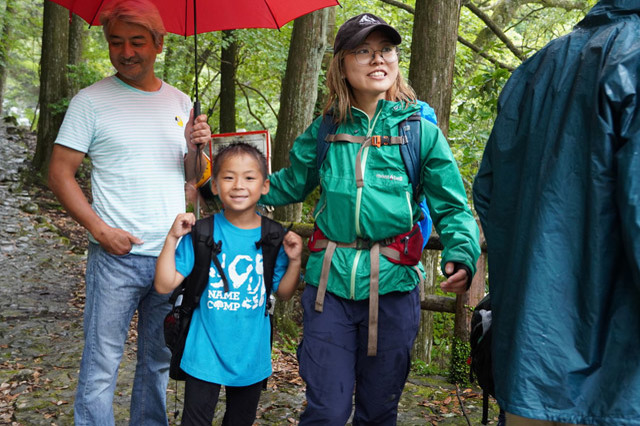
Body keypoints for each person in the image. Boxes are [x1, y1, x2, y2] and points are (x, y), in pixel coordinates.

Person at [261, 13, 480, 424]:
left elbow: (453, 207)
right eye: (363, 51)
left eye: (386, 50)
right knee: (326, 411)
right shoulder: (327, 129)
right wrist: (221, 181)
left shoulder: (419, 132)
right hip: (331, 287)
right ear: (341, 63)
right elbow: (288, 184)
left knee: (378, 412)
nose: (377, 59)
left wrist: (462, 255)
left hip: (394, 288)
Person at [473, 1, 640, 424]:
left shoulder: (535, 68)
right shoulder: (634, 55)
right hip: (618, 386)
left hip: (528, 361)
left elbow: (489, 194)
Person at [47, 0, 212, 424]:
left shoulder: (180, 101)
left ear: (158, 44)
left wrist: (199, 148)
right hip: (115, 258)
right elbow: (60, 173)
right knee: (102, 366)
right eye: (116, 42)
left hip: (170, 256)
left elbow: (193, 177)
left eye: (137, 41)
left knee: (157, 363)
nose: (126, 52)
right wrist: (101, 231)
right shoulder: (91, 102)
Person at [154, 142, 303, 426]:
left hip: (251, 354)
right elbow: (163, 285)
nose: (238, 185)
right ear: (215, 186)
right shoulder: (201, 232)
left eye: (249, 177)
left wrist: (294, 261)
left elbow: (283, 293)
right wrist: (172, 239)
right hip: (204, 349)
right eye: (228, 177)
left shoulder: (274, 237)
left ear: (265, 186)